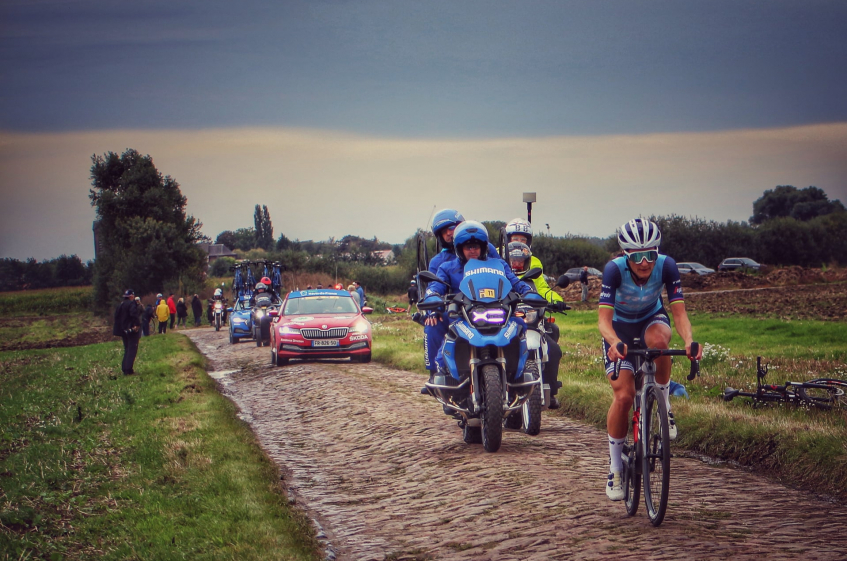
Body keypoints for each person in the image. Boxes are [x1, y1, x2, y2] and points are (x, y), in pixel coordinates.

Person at [599, 218, 702, 501]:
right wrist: (613, 342)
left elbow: (679, 312)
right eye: (636, 256)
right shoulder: (613, 271)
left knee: (660, 343)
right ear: (625, 255)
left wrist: (689, 341)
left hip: (650, 320)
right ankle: (616, 468)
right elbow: (603, 321)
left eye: (650, 255)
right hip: (619, 329)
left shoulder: (667, 266)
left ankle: (665, 406)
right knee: (623, 395)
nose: (644, 263)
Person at [423, 220, 535, 383]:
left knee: (519, 323)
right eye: (468, 247)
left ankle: (517, 370)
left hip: (497, 311)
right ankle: (442, 371)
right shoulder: (446, 268)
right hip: (461, 315)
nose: (473, 250)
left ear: (484, 247)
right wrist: (432, 296)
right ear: (459, 248)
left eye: (476, 246)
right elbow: (435, 286)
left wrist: (528, 292)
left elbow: (514, 282)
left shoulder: (499, 264)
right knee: (439, 336)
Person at [504, 218, 569, 409]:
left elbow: (541, 287)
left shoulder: (534, 262)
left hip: (530, 315)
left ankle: (551, 389)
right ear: (506, 240)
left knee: (554, 348)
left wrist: (556, 299)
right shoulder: (497, 259)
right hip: (505, 317)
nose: (519, 243)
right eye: (515, 238)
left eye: (523, 239)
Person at [113, 288, 141, 375]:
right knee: (132, 349)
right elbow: (134, 314)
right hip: (131, 330)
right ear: (131, 296)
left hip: (123, 330)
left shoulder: (120, 305)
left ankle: (124, 368)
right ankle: (129, 370)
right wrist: (137, 324)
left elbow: (116, 317)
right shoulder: (131, 304)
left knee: (127, 349)